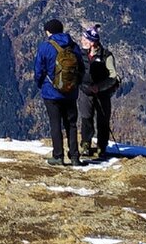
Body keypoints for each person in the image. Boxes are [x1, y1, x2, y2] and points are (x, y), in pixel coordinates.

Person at [34, 18, 84, 166]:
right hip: (71, 92)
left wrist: (40, 84)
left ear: (48, 31)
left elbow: (38, 70)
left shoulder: (45, 47)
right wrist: (75, 84)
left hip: (51, 92)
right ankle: (75, 156)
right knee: (71, 124)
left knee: (55, 124)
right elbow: (81, 68)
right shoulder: (73, 46)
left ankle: (58, 156)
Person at [78, 26, 120, 159]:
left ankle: (102, 146)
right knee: (86, 118)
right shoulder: (80, 54)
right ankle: (86, 144)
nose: (82, 40)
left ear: (92, 42)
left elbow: (113, 76)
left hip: (102, 93)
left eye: (85, 38)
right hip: (85, 91)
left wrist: (100, 87)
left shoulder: (106, 56)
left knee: (102, 120)